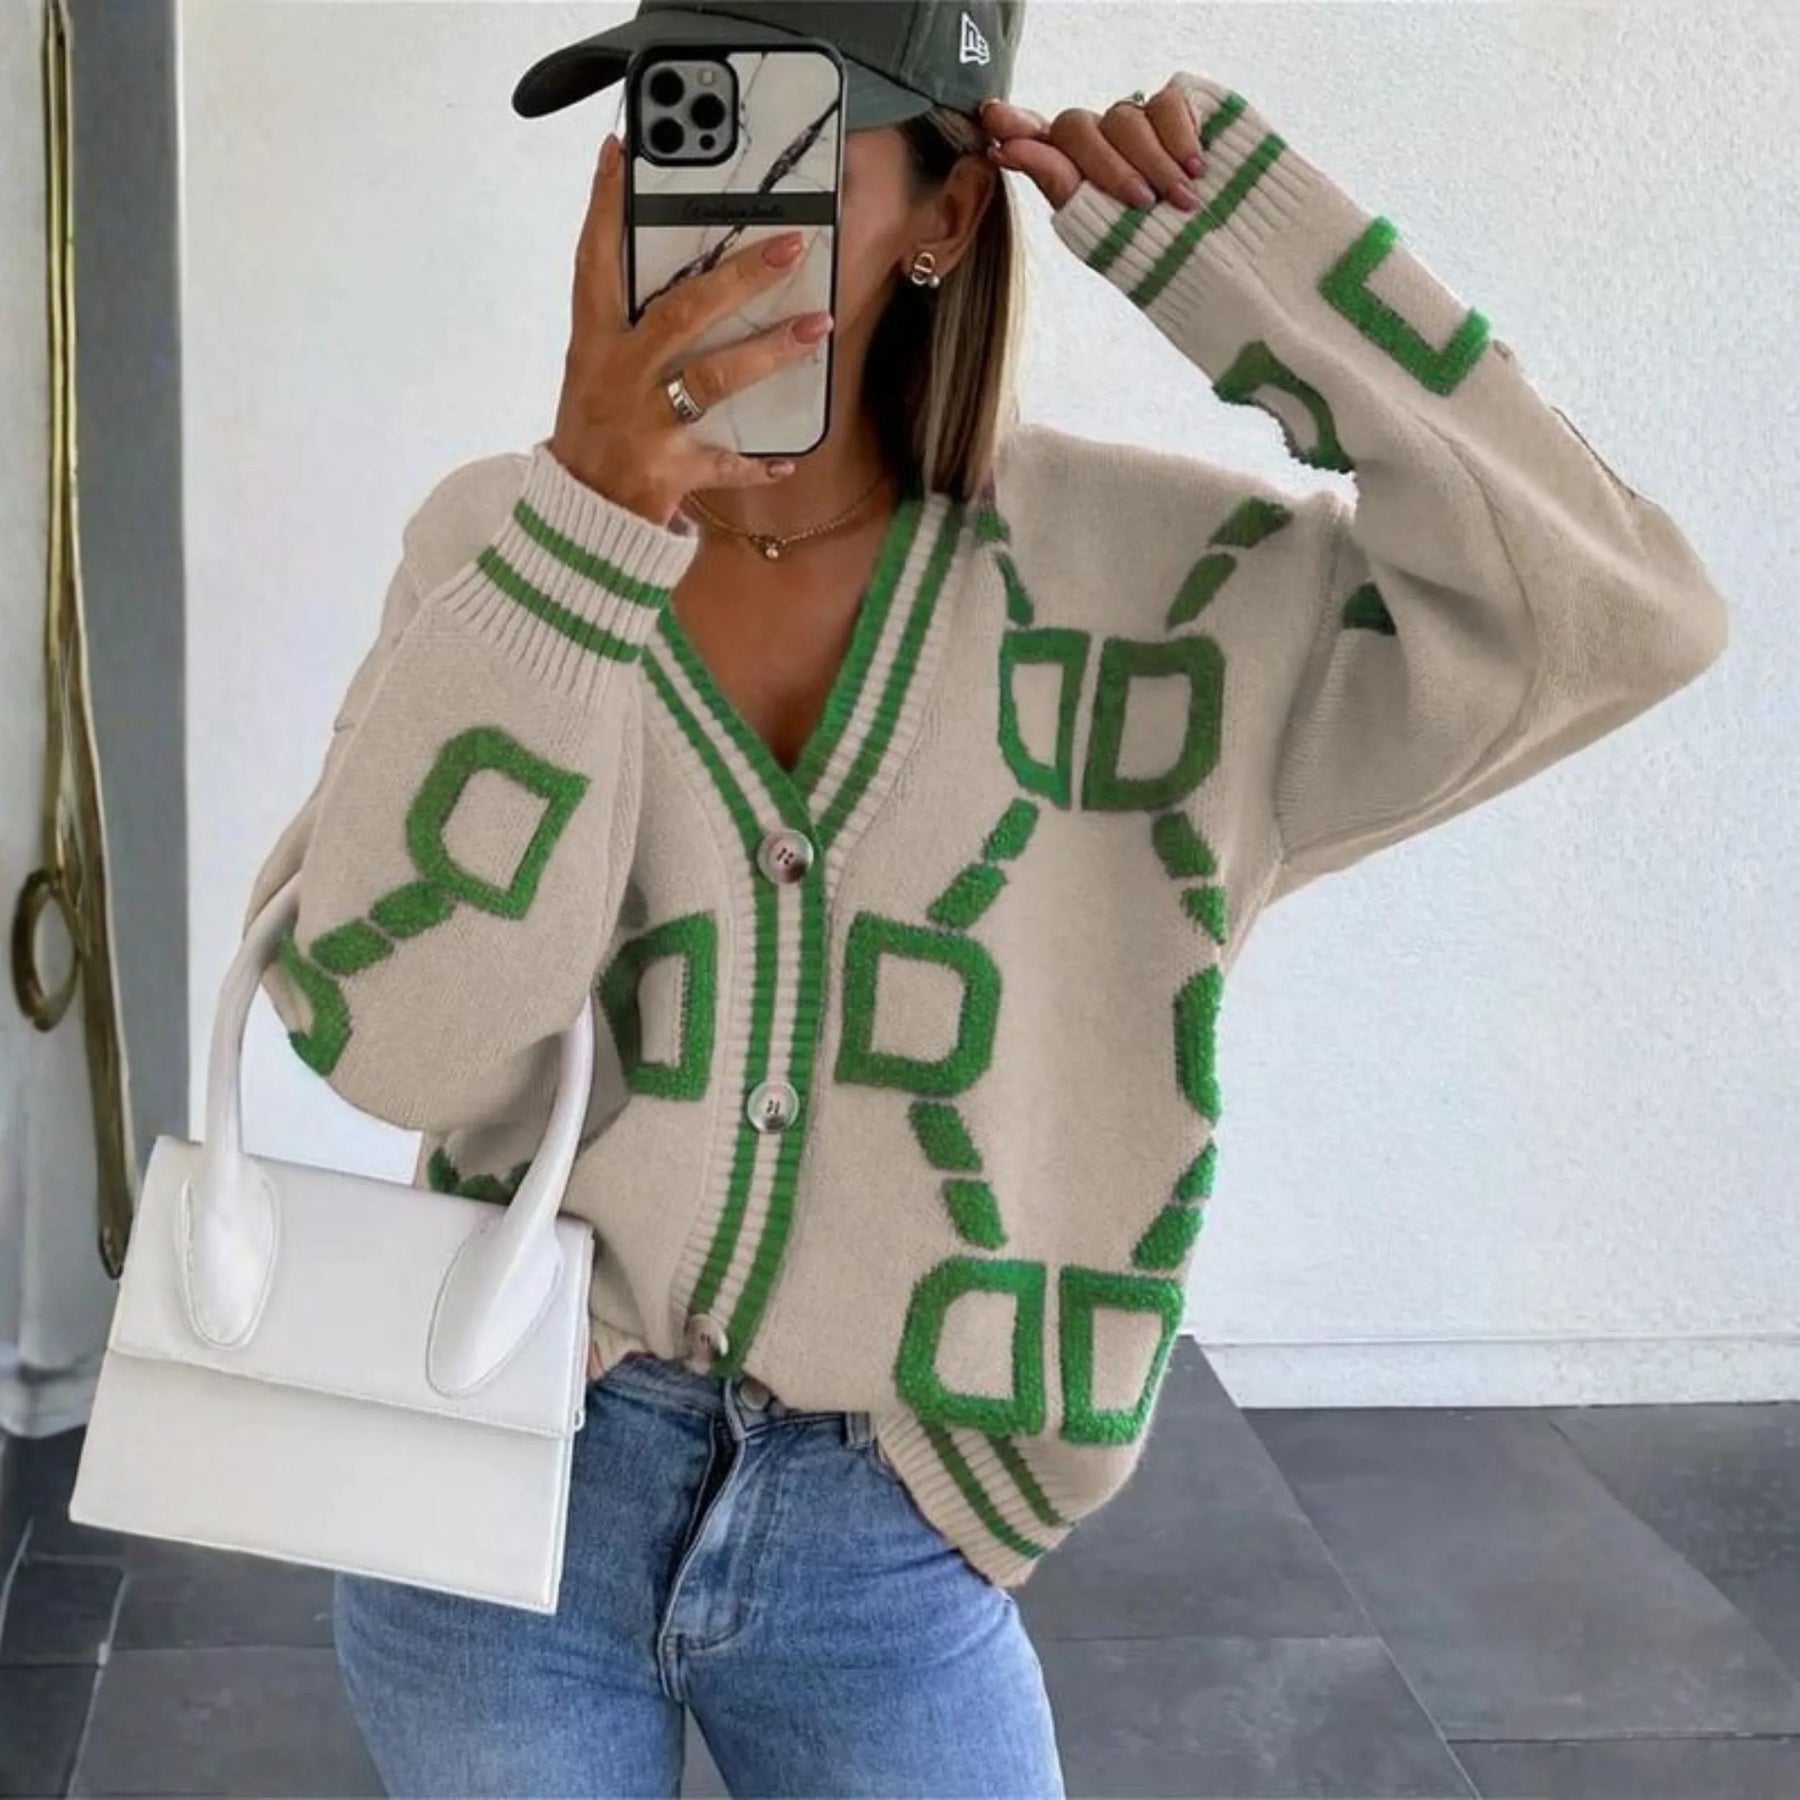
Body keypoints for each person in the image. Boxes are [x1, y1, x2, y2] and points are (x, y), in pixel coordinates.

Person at [241, 1, 1730, 1793]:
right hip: (501, 1469)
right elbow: (398, 1050)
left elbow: (1616, 614)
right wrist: (590, 518)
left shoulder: (1159, 595)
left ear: (945, 214)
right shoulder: (500, 547)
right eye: (676, 126)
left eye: (786, 140)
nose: (711, 204)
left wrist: (1245, 258)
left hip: (893, 1533)